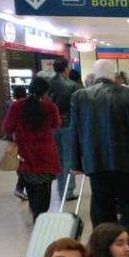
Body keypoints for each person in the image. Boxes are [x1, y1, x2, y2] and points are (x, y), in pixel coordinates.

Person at [70, 59, 129, 230]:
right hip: (126, 159)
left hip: (95, 160)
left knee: (101, 204)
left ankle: (105, 241)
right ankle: (125, 234)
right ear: (114, 75)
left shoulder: (80, 96)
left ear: (94, 76)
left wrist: (75, 162)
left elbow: (75, 131)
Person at [2, 76, 61, 223]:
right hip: (45, 155)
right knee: (44, 188)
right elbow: (56, 124)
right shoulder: (50, 107)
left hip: (24, 153)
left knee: (30, 185)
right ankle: (40, 215)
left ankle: (36, 212)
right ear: (46, 92)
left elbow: (6, 127)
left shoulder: (17, 106)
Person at [49, 57, 82, 200]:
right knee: (68, 158)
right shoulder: (72, 86)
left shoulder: (49, 84)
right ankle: (67, 191)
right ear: (66, 69)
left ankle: (60, 189)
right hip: (68, 125)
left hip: (52, 125)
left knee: (58, 158)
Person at [6, 85, 30, 201]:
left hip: (16, 138)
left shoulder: (10, 105)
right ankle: (20, 187)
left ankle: (21, 187)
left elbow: (7, 125)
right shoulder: (27, 105)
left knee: (20, 162)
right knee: (26, 163)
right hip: (27, 139)